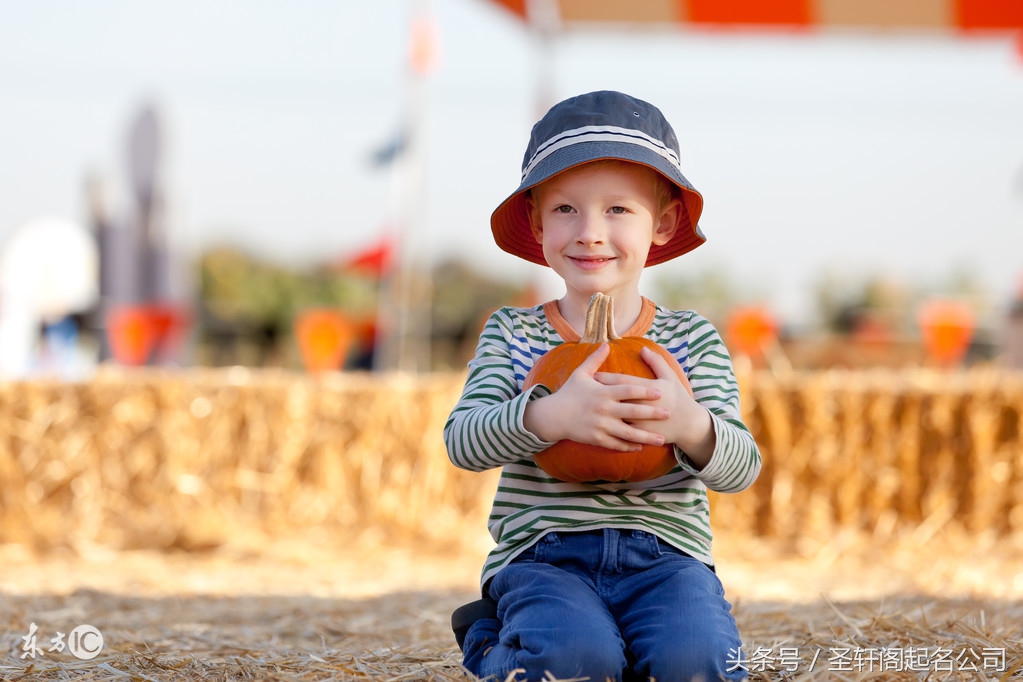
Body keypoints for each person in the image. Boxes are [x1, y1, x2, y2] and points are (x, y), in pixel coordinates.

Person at [444, 90, 761, 682]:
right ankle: (490, 640)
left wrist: (690, 424)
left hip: (668, 561)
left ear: (661, 224)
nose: (590, 232)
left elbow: (740, 467)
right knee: (574, 662)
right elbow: (462, 442)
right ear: (536, 222)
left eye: (618, 210)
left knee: (699, 666)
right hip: (544, 559)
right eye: (565, 209)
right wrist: (547, 418)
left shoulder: (691, 341)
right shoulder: (511, 333)